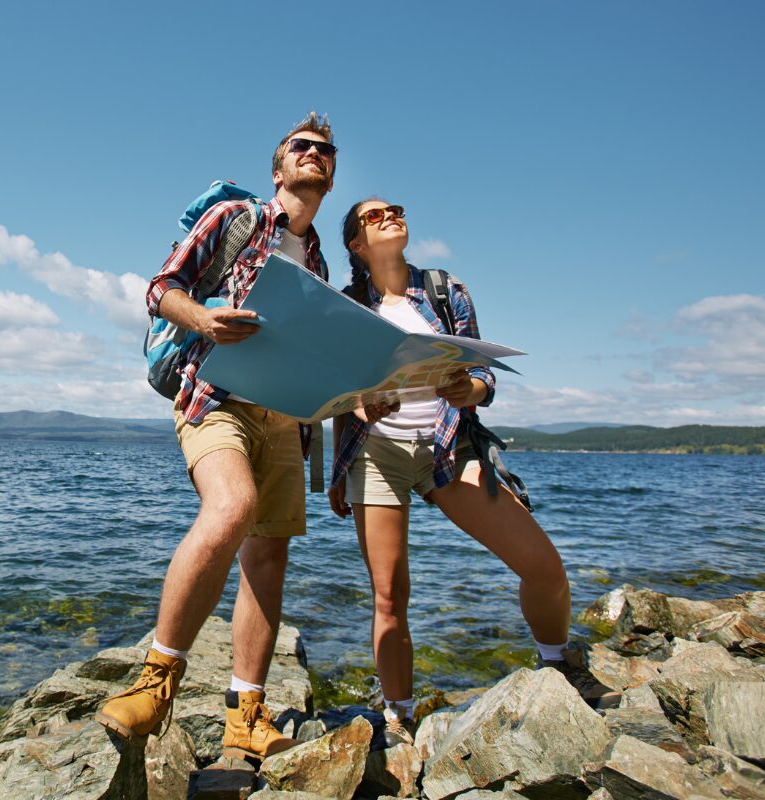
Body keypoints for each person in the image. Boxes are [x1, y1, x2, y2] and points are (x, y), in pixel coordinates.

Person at [327, 199, 619, 747]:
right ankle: (400, 715)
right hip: (377, 455)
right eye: (374, 216)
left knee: (544, 567)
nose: (391, 216)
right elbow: (341, 399)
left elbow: (482, 369)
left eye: (396, 209)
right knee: (390, 596)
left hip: (448, 448)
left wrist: (474, 388)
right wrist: (340, 465)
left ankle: (558, 664)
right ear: (356, 245)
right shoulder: (347, 307)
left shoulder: (444, 288)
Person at [95, 114, 336, 760]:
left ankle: (246, 714)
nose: (316, 154)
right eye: (301, 147)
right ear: (279, 168)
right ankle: (155, 683)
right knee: (231, 508)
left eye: (326, 151)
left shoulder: (319, 260)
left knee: (269, 556)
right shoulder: (236, 219)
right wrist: (203, 317)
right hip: (215, 395)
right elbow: (160, 289)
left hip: (285, 417)